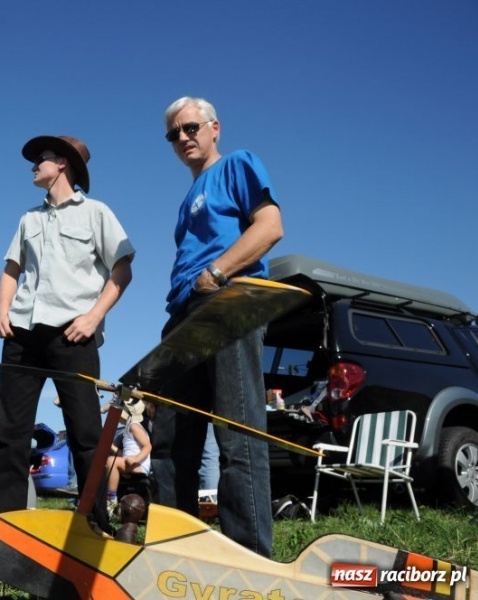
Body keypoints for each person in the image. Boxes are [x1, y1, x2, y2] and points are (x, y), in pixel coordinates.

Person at [154, 97, 283, 558]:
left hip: (227, 302)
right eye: (174, 134)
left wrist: (219, 273)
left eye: (190, 128)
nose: (183, 138)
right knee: (170, 441)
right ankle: (175, 548)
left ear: (214, 128)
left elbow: (269, 227)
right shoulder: (189, 197)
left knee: (237, 431)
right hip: (183, 313)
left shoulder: (238, 165)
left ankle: (248, 557)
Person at [0, 135, 135, 535]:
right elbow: (10, 270)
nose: (33, 165)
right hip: (22, 334)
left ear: (63, 164)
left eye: (41, 159)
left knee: (87, 434)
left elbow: (122, 270)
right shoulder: (28, 219)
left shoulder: (97, 213)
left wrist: (93, 317)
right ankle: (7, 527)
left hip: (73, 336)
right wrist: (2, 312)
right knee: (11, 434)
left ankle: (96, 526)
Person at [105, 399, 151, 517]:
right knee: (110, 461)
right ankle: (111, 498)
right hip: (132, 462)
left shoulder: (134, 426)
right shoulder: (128, 428)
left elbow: (147, 446)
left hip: (139, 464)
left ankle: (111, 498)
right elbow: (123, 453)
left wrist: (136, 458)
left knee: (111, 462)